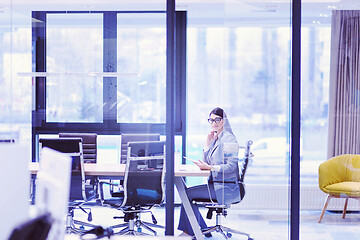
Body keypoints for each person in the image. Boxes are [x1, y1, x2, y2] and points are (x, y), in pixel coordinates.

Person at [178, 107, 243, 237]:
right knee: (187, 193)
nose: (214, 123)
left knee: (188, 194)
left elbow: (231, 166)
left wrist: (211, 168)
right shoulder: (218, 138)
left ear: (224, 120)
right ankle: (200, 229)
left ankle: (190, 231)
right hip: (217, 184)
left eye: (217, 119)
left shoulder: (229, 139)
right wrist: (207, 144)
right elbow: (206, 161)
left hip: (226, 187)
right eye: (211, 120)